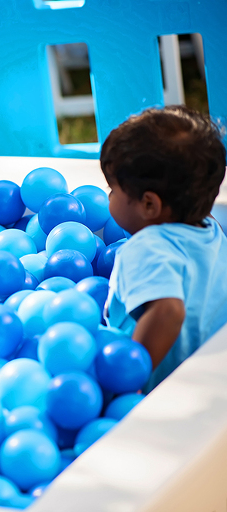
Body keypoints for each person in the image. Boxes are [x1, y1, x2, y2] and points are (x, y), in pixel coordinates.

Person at [101, 105, 227, 392]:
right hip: (213, 377)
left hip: (164, 388)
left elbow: (169, 311)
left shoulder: (145, 248)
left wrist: (128, 384)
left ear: (149, 205)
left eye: (112, 189)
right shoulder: (210, 231)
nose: (108, 196)